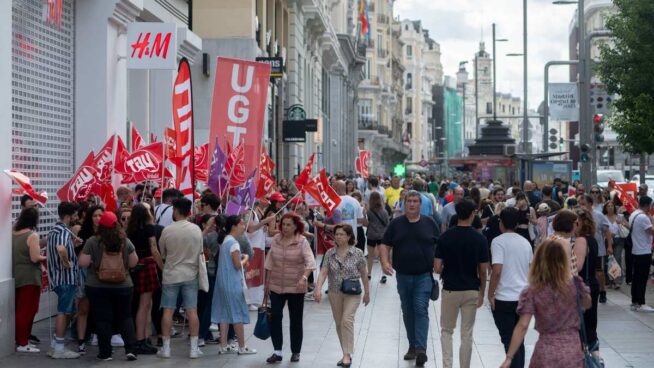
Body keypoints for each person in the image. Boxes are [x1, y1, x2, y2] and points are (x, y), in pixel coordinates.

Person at [499, 239, 591, 368]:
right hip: (572, 350)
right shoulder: (574, 284)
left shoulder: (533, 291)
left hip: (546, 352)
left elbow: (523, 325)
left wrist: (509, 357)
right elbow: (587, 304)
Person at [380, 191, 439, 367]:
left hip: (424, 275)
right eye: (409, 201)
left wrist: (439, 264)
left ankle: (421, 349)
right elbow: (385, 244)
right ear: (404, 203)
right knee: (408, 311)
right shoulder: (396, 224)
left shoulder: (430, 222)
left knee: (420, 308)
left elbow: (439, 245)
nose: (412, 204)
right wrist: (384, 261)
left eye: (415, 201)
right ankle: (412, 345)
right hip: (403, 276)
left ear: (421, 204)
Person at [435, 199, 489, 368]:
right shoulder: (479, 239)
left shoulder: (445, 237)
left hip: (450, 289)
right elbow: (483, 270)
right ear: (472, 214)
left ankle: (447, 365)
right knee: (467, 333)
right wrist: (482, 292)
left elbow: (437, 267)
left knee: (446, 331)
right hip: (471, 289)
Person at [79, 211, 139, 361]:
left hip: (97, 286)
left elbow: (83, 263)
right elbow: (133, 262)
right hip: (123, 285)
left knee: (102, 319)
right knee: (125, 317)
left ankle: (105, 353)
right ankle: (130, 349)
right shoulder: (124, 241)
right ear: (116, 224)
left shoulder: (92, 241)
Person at [314, 224, 370, 368]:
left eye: (341, 234)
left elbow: (364, 274)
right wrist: (318, 289)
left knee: (346, 320)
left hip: (353, 292)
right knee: (339, 324)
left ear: (349, 236)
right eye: (336, 234)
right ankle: (346, 352)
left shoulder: (357, 253)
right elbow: (323, 273)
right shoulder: (329, 253)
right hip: (335, 292)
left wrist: (367, 293)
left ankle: (346, 355)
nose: (338, 237)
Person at [264, 213, 317, 363]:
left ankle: (296, 351)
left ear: (296, 226)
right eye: (283, 224)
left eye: (289, 225)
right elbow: (269, 262)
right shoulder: (276, 239)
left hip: (296, 286)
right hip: (276, 285)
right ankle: (277, 351)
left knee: (295, 320)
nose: (285, 227)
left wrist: (304, 278)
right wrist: (266, 284)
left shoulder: (302, 241)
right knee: (275, 317)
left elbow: (311, 263)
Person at [157, 197, 204, 358]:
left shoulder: (167, 230)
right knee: (192, 311)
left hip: (171, 274)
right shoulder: (196, 230)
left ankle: (166, 348)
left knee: (168, 311)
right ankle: (193, 348)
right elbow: (200, 251)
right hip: (191, 274)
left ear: (176, 211)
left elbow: (162, 253)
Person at [488, 207, 532, 368]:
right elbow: (530, 269)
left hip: (504, 298)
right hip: (523, 296)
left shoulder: (498, 242)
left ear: (501, 222)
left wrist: (490, 293)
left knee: (509, 342)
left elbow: (497, 271)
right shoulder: (525, 242)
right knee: (519, 340)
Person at [211, 215, 257, 355]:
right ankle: (242, 346)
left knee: (224, 314)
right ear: (234, 226)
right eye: (242, 224)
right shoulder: (234, 243)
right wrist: (246, 258)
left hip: (222, 282)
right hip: (233, 282)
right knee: (237, 314)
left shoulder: (226, 240)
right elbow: (237, 265)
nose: (244, 226)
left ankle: (223, 345)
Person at [125, 203, 163, 354]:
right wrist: (163, 268)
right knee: (145, 304)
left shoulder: (129, 230)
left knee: (144, 304)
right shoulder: (149, 228)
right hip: (147, 265)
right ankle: (141, 340)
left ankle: (143, 337)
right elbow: (154, 249)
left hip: (135, 266)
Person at [46, 201, 82, 359]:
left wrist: (71, 248)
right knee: (64, 311)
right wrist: (67, 263)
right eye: (75, 214)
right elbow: (60, 249)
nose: (77, 217)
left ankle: (55, 345)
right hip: (65, 278)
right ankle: (59, 347)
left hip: (59, 277)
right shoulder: (63, 231)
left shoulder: (55, 229)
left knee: (66, 311)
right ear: (68, 215)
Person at [13, 207, 46, 353]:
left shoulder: (12, 233)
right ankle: (23, 342)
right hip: (30, 277)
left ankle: (21, 339)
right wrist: (46, 257)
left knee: (20, 309)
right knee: (27, 310)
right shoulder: (32, 235)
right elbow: (34, 258)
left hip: (16, 275)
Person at [628, 196, 654, 312]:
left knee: (636, 277)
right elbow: (651, 231)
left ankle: (635, 302)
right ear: (647, 205)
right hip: (644, 251)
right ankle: (641, 303)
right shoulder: (643, 217)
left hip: (636, 250)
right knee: (642, 278)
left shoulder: (633, 214)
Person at [366, 191, 390, 284]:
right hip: (381, 236)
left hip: (371, 235)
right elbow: (387, 223)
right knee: (382, 256)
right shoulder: (384, 211)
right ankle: (383, 275)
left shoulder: (369, 211)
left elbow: (367, 223)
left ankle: (369, 274)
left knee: (370, 256)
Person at [604, 200, 627, 288]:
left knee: (617, 259)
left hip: (619, 239)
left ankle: (617, 281)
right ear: (605, 208)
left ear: (614, 207)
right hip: (607, 240)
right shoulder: (604, 217)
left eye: (611, 206)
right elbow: (601, 229)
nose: (610, 207)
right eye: (608, 206)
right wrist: (609, 236)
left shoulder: (619, 216)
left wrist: (621, 222)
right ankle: (610, 280)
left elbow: (628, 226)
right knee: (609, 260)